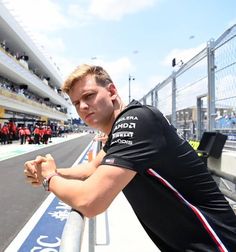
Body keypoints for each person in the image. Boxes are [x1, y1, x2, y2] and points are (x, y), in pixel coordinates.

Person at [24, 64, 236, 251]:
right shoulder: (121, 129)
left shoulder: (136, 120)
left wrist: (49, 179)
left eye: (89, 96)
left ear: (112, 91)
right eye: (76, 102)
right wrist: (50, 170)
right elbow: (91, 170)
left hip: (216, 243)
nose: (82, 107)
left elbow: (90, 201)